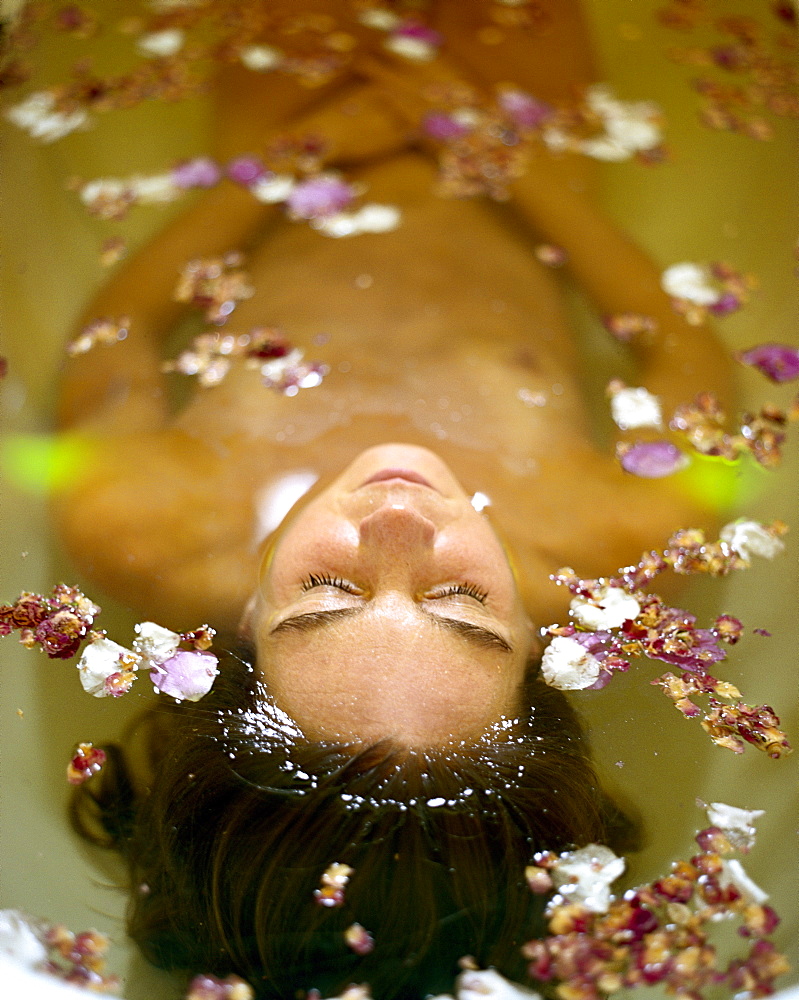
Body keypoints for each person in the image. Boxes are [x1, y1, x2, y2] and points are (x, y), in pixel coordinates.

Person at [58, 1, 735, 996]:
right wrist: (511, 165)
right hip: (516, 141)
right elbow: (679, 354)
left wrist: (291, 156)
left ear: (244, 627)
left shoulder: (141, 523)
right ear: (542, 679)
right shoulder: (620, 533)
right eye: (463, 603)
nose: (400, 517)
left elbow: (115, 339)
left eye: (327, 588)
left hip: (297, 135)